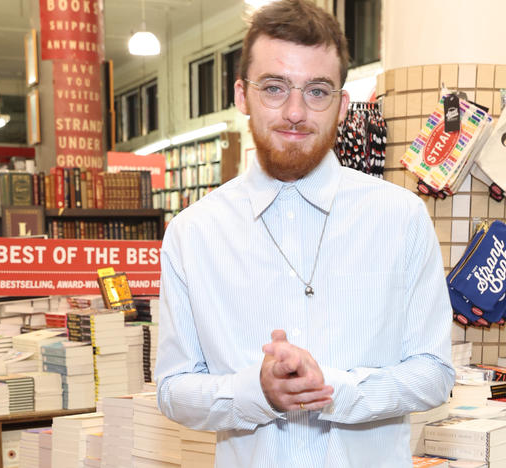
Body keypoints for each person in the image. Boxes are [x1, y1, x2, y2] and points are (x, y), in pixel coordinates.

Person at [156, 1, 455, 466]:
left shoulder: (401, 219)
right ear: (241, 95)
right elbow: (173, 389)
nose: (295, 112)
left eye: (317, 91)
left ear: (342, 104)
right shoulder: (192, 233)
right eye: (273, 88)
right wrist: (256, 392)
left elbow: (435, 373)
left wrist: (333, 390)